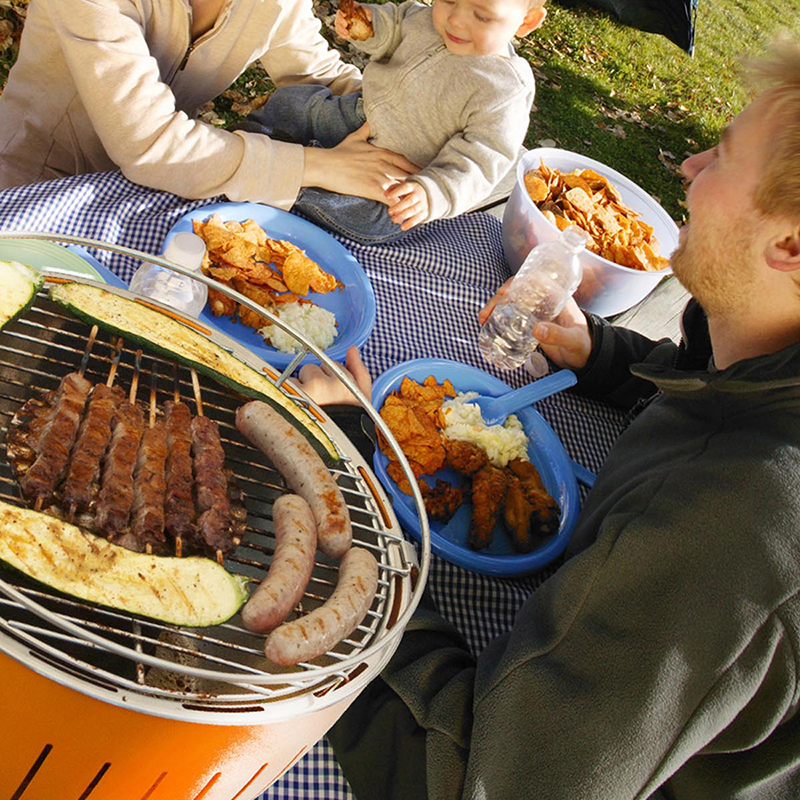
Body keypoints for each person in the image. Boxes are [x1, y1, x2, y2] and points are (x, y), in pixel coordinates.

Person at [297, 38, 800, 799]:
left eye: (724, 156)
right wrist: (606, 355)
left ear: (789, 244)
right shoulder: (755, 351)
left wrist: (340, 482)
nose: (690, 166)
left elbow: (468, 779)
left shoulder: (729, 530)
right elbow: (713, 393)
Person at [0, 0, 418, 210]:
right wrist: (322, 166)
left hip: (148, 196)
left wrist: (417, 115)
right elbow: (150, 142)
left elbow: (319, 74)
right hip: (28, 185)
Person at [237, 0, 546, 243]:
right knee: (297, 101)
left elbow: (481, 161)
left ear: (527, 22)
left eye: (482, 16)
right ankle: (256, 139)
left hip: (397, 169)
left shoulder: (505, 89)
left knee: (374, 218)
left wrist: (432, 192)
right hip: (358, 116)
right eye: (448, 0)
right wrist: (371, 26)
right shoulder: (424, 19)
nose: (455, 20)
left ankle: (298, 187)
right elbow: (394, 27)